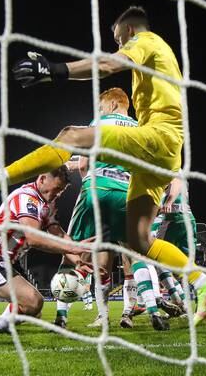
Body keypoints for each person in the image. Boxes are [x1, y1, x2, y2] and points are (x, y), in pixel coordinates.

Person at [0, 6, 206, 325]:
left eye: (118, 39)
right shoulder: (158, 61)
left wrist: (55, 69)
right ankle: (204, 283)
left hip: (158, 137)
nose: (118, 45)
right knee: (139, 240)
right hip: (163, 155)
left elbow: (107, 64)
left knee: (71, 135)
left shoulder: (148, 41)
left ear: (128, 31)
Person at [53, 88, 171, 331]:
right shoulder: (140, 128)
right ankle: (152, 310)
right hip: (126, 193)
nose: (100, 110)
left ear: (114, 103)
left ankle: (62, 316)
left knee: (73, 249)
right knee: (134, 253)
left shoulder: (101, 121)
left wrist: (84, 178)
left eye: (102, 105)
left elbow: (85, 161)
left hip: (96, 188)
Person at [0, 168, 91, 333]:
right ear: (42, 179)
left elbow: (58, 234)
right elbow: (34, 238)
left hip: (8, 261)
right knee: (33, 302)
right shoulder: (27, 198)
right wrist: (72, 247)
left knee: (34, 312)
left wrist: (79, 261)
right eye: (56, 189)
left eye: (61, 191)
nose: (58, 194)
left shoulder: (46, 204)